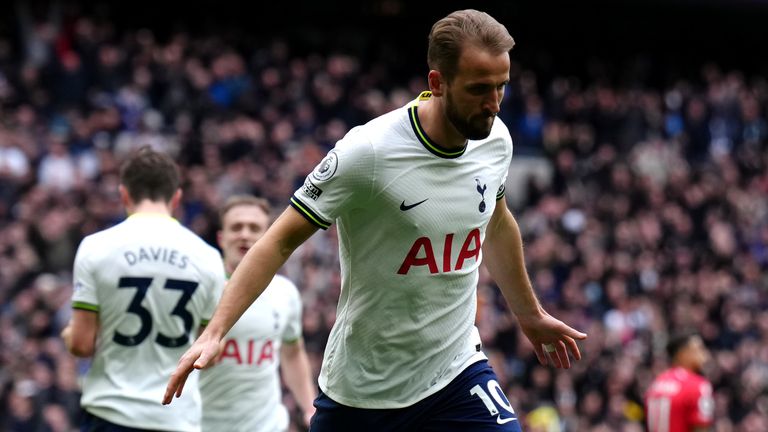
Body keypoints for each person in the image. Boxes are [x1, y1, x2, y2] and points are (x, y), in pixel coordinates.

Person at [164, 9, 587, 431]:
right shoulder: (368, 152)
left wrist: (529, 314)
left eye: (501, 87)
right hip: (365, 390)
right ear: (437, 83)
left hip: (456, 371)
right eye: (479, 89)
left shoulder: (496, 141)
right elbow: (278, 241)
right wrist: (215, 331)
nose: (493, 104)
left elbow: (495, 222)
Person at [62, 146, 226, 432]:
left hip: (111, 412)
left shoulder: (95, 248)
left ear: (124, 194)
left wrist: (68, 333)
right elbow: (210, 355)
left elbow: (81, 344)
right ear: (177, 198)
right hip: (176, 417)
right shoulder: (208, 257)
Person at [199, 195, 316, 431]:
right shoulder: (199, 288)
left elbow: (292, 353)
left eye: (254, 228)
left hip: (267, 425)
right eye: (236, 227)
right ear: (221, 238)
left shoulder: (285, 293)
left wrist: (309, 408)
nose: (244, 234)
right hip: (201, 425)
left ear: (267, 238)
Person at [645, 332, 714, 432]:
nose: (705, 355)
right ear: (683, 354)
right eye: (699, 349)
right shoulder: (698, 385)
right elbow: (701, 428)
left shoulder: (656, 384)